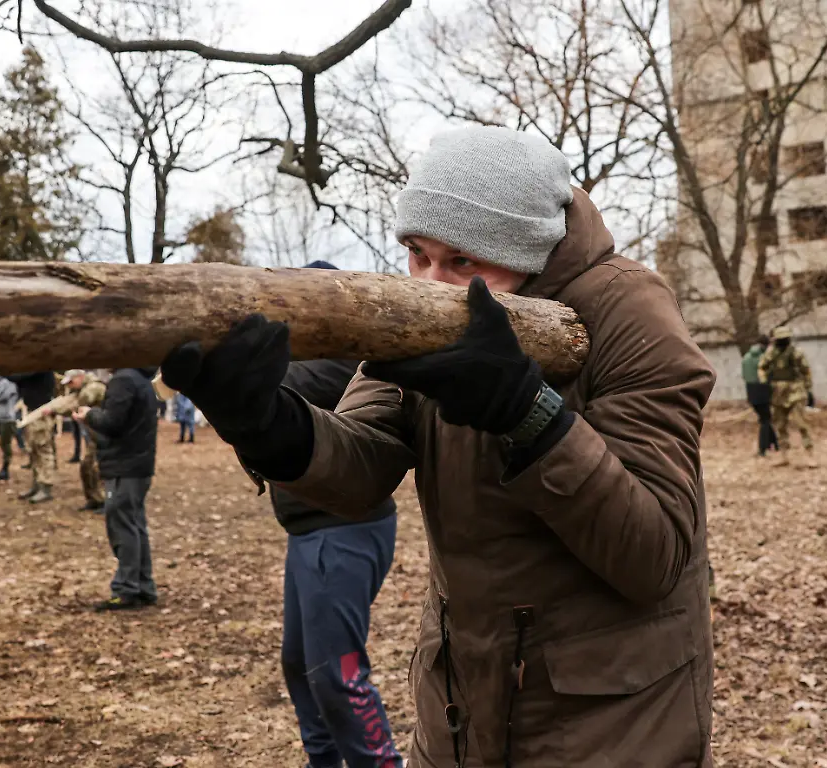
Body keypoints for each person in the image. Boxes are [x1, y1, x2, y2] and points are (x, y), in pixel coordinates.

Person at [162, 126, 716, 765]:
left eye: (463, 262)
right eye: (418, 254)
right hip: (460, 709)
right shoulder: (419, 316)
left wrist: (528, 415)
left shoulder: (628, 310)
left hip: (616, 723)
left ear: (528, 250)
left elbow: (653, 554)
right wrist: (266, 424)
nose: (432, 284)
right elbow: (362, 463)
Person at [268, 262, 404, 768]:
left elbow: (280, 383)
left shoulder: (348, 361)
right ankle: (322, 761)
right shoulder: (304, 358)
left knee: (336, 674)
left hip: (344, 530)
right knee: (300, 663)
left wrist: (236, 364)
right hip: (309, 530)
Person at [74, 367, 159, 611]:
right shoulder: (140, 378)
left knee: (123, 527)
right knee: (135, 525)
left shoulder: (123, 381)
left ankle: (126, 589)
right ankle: (143, 586)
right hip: (136, 465)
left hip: (125, 466)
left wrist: (90, 414)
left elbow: (112, 423)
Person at [30, 370, 106, 511]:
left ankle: (104, 501)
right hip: (96, 436)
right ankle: (94, 499)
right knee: (86, 467)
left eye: (71, 382)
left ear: (80, 377)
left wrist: (54, 409)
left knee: (98, 469)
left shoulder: (93, 387)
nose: (70, 385)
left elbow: (77, 404)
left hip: (105, 436)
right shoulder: (82, 389)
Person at [759, 326, 816, 468]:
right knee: (780, 425)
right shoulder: (771, 353)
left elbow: (806, 370)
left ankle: (809, 455)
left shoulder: (796, 353)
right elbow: (762, 367)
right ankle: (784, 456)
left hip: (796, 390)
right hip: (778, 392)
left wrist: (808, 388)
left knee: (801, 423)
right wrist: (764, 382)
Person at [8, 372, 60, 503]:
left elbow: (17, 377)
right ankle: (37, 485)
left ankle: (45, 487)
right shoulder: (33, 370)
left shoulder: (39, 368)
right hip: (34, 412)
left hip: (41, 413)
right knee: (34, 451)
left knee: (43, 450)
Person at [742, 336, 779, 457]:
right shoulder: (764, 358)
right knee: (765, 420)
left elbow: (745, 376)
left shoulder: (746, 357)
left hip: (751, 392)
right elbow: (770, 375)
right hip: (762, 391)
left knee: (765, 418)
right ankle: (762, 449)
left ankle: (775, 444)